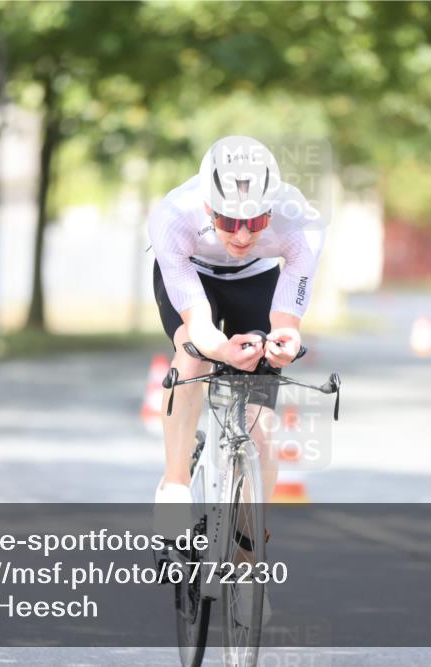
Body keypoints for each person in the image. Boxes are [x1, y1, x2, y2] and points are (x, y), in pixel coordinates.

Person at [147, 135, 324, 622]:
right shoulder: (174, 216)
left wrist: (283, 339)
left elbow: (286, 318)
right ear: (208, 206)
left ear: (272, 209)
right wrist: (221, 348)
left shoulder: (300, 220)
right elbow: (201, 326)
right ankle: (175, 485)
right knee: (193, 350)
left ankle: (248, 562)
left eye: (255, 222)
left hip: (258, 280)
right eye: (227, 221)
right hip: (192, 276)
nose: (242, 235)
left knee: (260, 423)